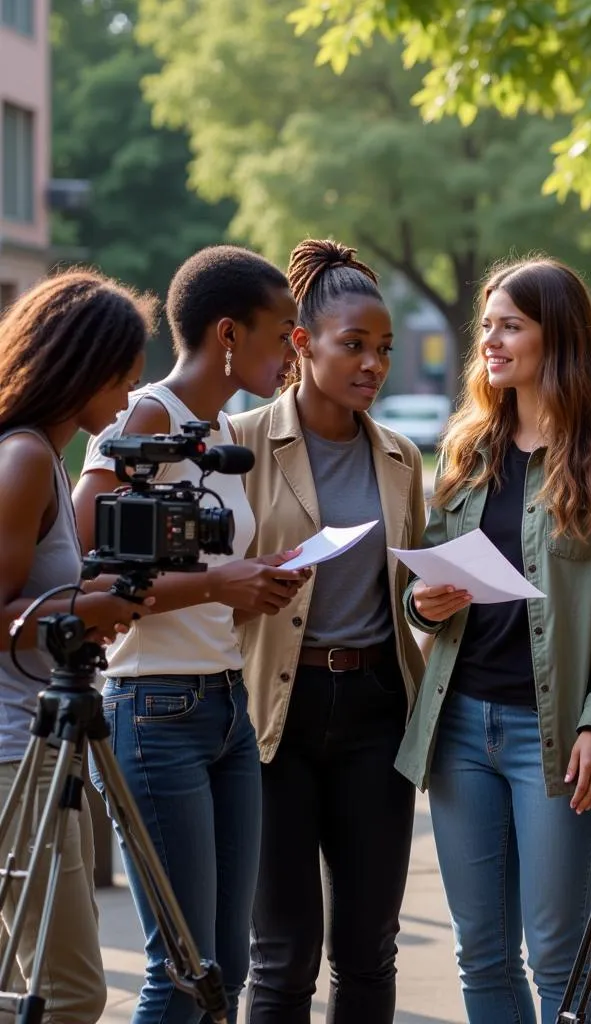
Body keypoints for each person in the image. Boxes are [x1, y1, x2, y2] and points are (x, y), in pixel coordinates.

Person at [72, 246, 311, 1024]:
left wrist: (252, 589)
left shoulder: (217, 436)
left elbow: (197, 579)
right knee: (183, 968)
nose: (293, 353)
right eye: (283, 334)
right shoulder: (147, 418)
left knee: (228, 966)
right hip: (153, 711)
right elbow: (84, 574)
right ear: (227, 334)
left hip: (225, 707)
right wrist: (216, 583)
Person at [396, 256, 591, 1024]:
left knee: (557, 951)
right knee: (482, 953)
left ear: (555, 337)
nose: (489, 342)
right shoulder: (468, 444)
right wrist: (425, 604)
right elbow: (423, 584)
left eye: (511, 326)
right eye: (487, 327)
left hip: (558, 735)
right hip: (462, 723)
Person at [231, 239, 425, 1024]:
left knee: (370, 949)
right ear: (302, 344)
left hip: (378, 707)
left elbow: (409, 592)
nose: (373, 365)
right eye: (354, 346)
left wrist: (430, 604)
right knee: (280, 956)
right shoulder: (239, 444)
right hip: (274, 714)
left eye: (383, 350)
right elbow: (208, 588)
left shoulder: (404, 458)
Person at [0, 269, 156, 1022]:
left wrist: (81, 606)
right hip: (15, 753)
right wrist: (84, 605)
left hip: (32, 742)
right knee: (68, 995)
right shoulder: (25, 457)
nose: (130, 397)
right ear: (82, 368)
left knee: (20, 987)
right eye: (125, 376)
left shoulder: (46, 461)